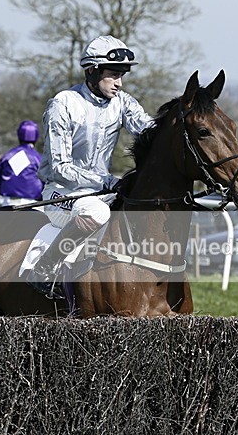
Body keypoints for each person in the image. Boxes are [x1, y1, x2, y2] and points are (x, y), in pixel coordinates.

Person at [26, 34, 154, 297]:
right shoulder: (63, 104)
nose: (119, 83)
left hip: (99, 192)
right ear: (93, 71)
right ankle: (45, 269)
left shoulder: (123, 103)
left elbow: (151, 132)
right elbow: (60, 167)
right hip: (60, 193)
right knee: (97, 212)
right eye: (113, 75)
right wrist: (106, 181)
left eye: (122, 76)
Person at [0, 120, 44, 201]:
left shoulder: (7, 156)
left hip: (8, 202)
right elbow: (45, 183)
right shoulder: (38, 158)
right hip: (33, 203)